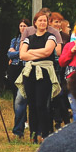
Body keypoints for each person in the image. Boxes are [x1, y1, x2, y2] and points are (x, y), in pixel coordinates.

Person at [18, 10, 60, 142]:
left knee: (42, 104)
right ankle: (33, 134)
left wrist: (31, 52)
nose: (42, 22)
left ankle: (45, 133)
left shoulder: (51, 36)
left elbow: (48, 52)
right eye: (40, 20)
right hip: (30, 73)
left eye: (44, 20)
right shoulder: (28, 38)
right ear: (35, 23)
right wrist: (36, 54)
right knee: (32, 104)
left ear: (47, 23)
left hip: (45, 73)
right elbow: (22, 55)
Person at [7, 18, 29, 137]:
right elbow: (10, 54)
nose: (22, 28)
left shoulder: (30, 40)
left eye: (24, 25)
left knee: (23, 95)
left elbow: (22, 54)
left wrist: (18, 53)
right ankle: (19, 122)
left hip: (24, 67)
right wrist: (18, 53)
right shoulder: (14, 40)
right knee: (16, 95)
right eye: (20, 26)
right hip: (14, 68)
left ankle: (25, 121)